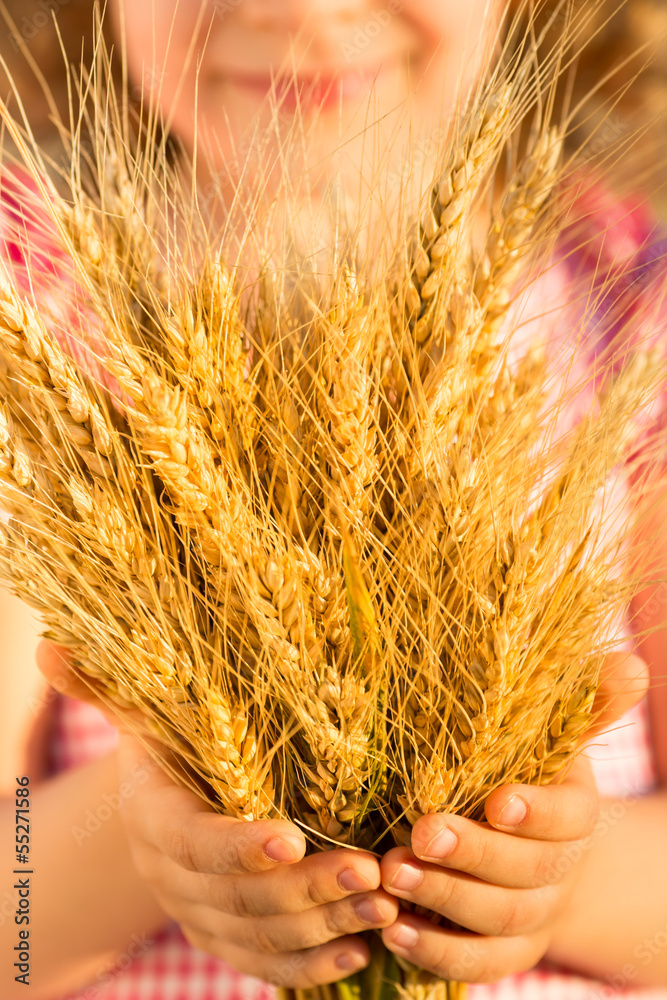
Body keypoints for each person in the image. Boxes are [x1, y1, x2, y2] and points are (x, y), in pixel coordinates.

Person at [0, 2, 665, 998]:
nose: (300, 10)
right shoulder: (33, 330)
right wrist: (153, 845)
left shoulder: (629, 312)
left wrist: (554, 880)